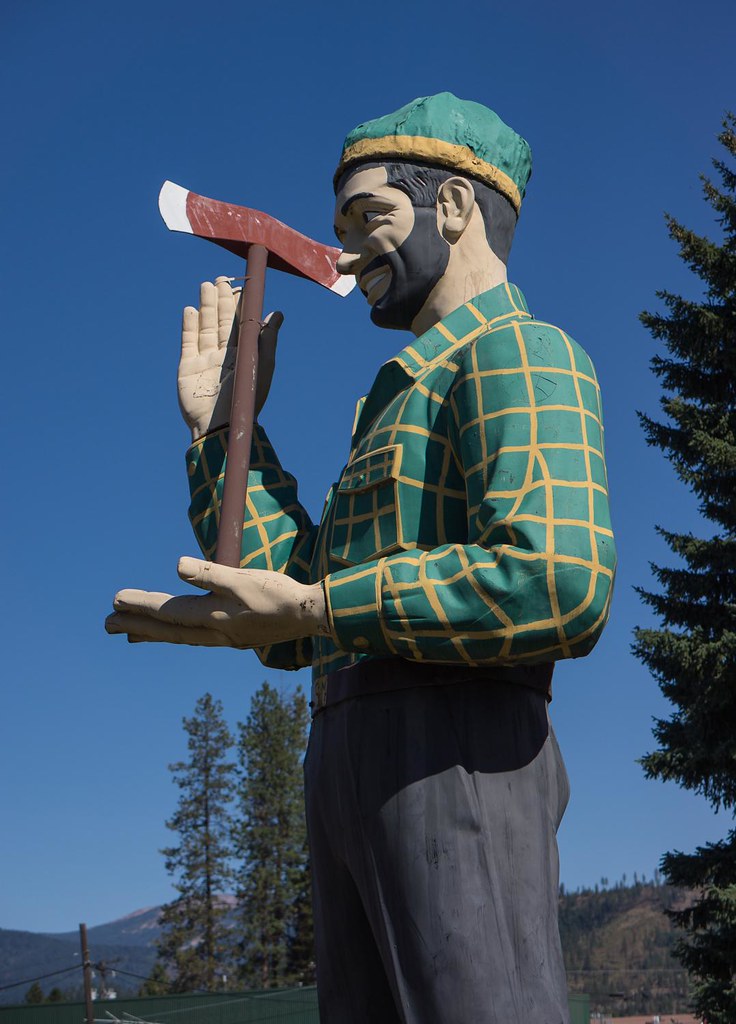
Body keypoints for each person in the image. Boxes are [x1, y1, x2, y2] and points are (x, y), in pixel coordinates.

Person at [107, 93, 616, 1023]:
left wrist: (313, 613)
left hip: (458, 755)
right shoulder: (395, 400)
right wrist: (225, 434)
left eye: (368, 217)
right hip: (347, 758)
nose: (344, 254)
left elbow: (558, 581)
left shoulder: (520, 354)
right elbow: (301, 604)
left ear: (456, 205)